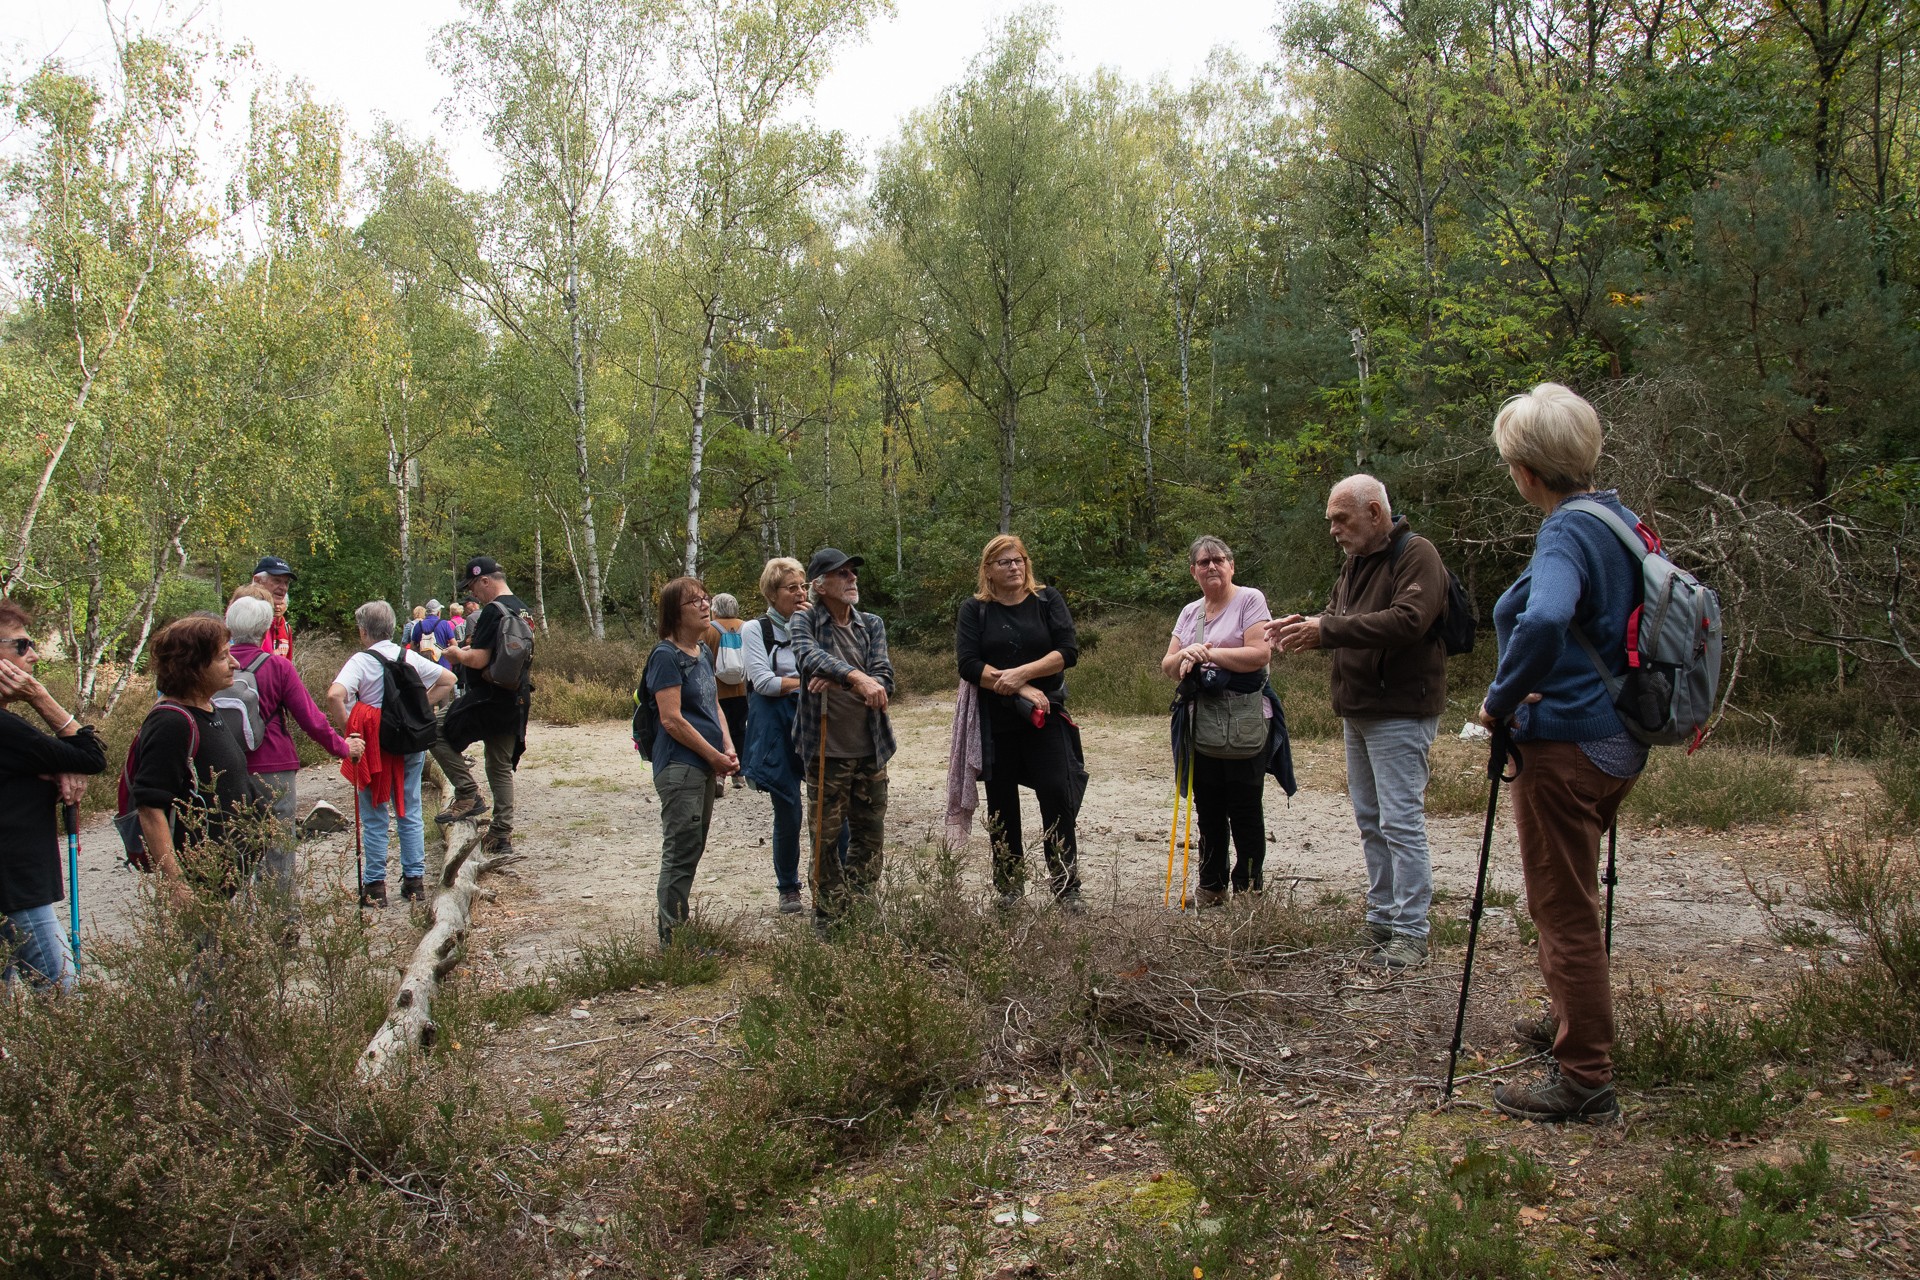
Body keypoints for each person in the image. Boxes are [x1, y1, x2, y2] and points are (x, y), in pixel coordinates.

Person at [1473, 383, 1647, 1124]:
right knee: (1573, 899)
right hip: (1619, 738)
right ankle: (1573, 1022)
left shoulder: (1565, 533)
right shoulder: (1621, 520)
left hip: (1568, 746)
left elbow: (1545, 617)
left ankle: (1584, 1079)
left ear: (1526, 469)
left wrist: (1501, 699)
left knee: (1562, 910)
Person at [1271, 476, 1449, 969]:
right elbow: (1336, 616)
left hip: (1400, 711)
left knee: (1400, 822)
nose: (1333, 529)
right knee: (1371, 820)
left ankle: (1411, 933)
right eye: (1331, 520)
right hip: (1359, 709)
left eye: (1340, 518)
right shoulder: (1354, 566)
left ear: (1374, 512)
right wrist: (1304, 624)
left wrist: (1325, 628)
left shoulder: (1417, 555)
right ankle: (1383, 920)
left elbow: (1408, 620)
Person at [956, 534, 1085, 909]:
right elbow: (968, 664)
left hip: (1046, 716)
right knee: (1001, 804)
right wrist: (1018, 688)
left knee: (1057, 793)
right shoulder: (975, 610)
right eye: (1004, 562)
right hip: (995, 722)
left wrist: (1022, 676)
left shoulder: (1047, 601)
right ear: (988, 571)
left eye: (1019, 560)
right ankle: (1010, 888)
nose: (1014, 567)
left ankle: (1065, 886)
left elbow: (1067, 651)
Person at [225, 591, 363, 904]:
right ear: (264, 628)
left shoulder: (215, 666)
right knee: (278, 846)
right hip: (273, 766)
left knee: (236, 844)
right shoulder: (277, 667)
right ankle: (281, 923)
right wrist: (343, 747)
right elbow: (310, 720)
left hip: (225, 767)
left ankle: (239, 922)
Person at [1160, 536, 1274, 907]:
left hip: (1244, 720)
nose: (1212, 566)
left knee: (1244, 806)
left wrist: (1208, 653)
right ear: (1193, 571)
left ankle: (1249, 888)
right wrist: (1184, 656)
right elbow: (1167, 666)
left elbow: (1260, 654)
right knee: (1207, 807)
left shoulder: (1250, 600)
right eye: (1204, 562)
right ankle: (1211, 886)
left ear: (1232, 565)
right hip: (1200, 723)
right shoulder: (1190, 611)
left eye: (1219, 560)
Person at [0, 602, 106, 990]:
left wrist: (59, 766)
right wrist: (40, 697)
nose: (34, 654)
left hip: (14, 886)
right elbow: (93, 755)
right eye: (22, 645)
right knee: (65, 997)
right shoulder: (6, 728)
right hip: (16, 890)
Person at [131, 615, 270, 907]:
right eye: (223, 657)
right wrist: (178, 886)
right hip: (200, 887)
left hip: (228, 879)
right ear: (193, 666)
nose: (235, 663)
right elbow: (150, 807)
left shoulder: (206, 708)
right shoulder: (171, 722)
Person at [790, 547, 895, 926]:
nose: (852, 578)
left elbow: (885, 678)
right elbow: (807, 657)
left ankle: (860, 904)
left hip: (871, 747)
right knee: (826, 836)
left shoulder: (872, 624)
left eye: (853, 572)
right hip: (825, 749)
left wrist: (845, 680)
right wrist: (857, 676)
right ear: (820, 585)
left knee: (870, 833)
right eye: (843, 573)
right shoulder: (805, 622)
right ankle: (829, 913)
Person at [327, 601, 456, 907]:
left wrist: (350, 731)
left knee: (374, 813)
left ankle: (375, 886)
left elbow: (335, 695)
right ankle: (414, 882)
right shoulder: (407, 656)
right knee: (409, 808)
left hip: (373, 744)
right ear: (393, 628)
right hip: (408, 743)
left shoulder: (360, 661)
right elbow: (448, 680)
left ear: (363, 631)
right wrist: (417, 708)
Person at [645, 576, 737, 945]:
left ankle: (678, 929)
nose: (704, 605)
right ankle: (675, 939)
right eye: (694, 601)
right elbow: (671, 719)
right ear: (674, 613)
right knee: (681, 849)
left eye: (706, 598)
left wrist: (728, 747)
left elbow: (713, 704)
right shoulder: (665, 655)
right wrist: (715, 756)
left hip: (704, 764)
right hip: (680, 767)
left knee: (692, 846)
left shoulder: (704, 652)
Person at [433, 557, 533, 856]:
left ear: (485, 580)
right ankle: (501, 836)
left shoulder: (493, 610)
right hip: (516, 696)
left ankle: (466, 793)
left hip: (487, 697)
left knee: (433, 729)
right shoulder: (522, 607)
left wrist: (456, 655)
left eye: (473, 586)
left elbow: (480, 659)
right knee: (499, 766)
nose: (472, 594)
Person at [741, 557, 810, 913]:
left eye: (803, 586)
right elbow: (764, 683)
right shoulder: (756, 629)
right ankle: (788, 888)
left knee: (830, 805)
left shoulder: (816, 623)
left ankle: (832, 879)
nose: (800, 593)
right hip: (775, 727)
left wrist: (812, 627)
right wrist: (813, 682)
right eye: (791, 587)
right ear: (772, 592)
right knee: (788, 808)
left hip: (815, 721)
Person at [704, 593, 750, 791]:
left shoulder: (708, 630)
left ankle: (719, 776)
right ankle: (739, 775)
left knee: (718, 731)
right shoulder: (747, 627)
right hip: (742, 689)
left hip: (717, 691)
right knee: (740, 730)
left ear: (715, 609)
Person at [252, 555, 296, 658]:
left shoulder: (281, 624)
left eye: (286, 582)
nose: (283, 587)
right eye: (277, 581)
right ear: (258, 581)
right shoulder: (246, 615)